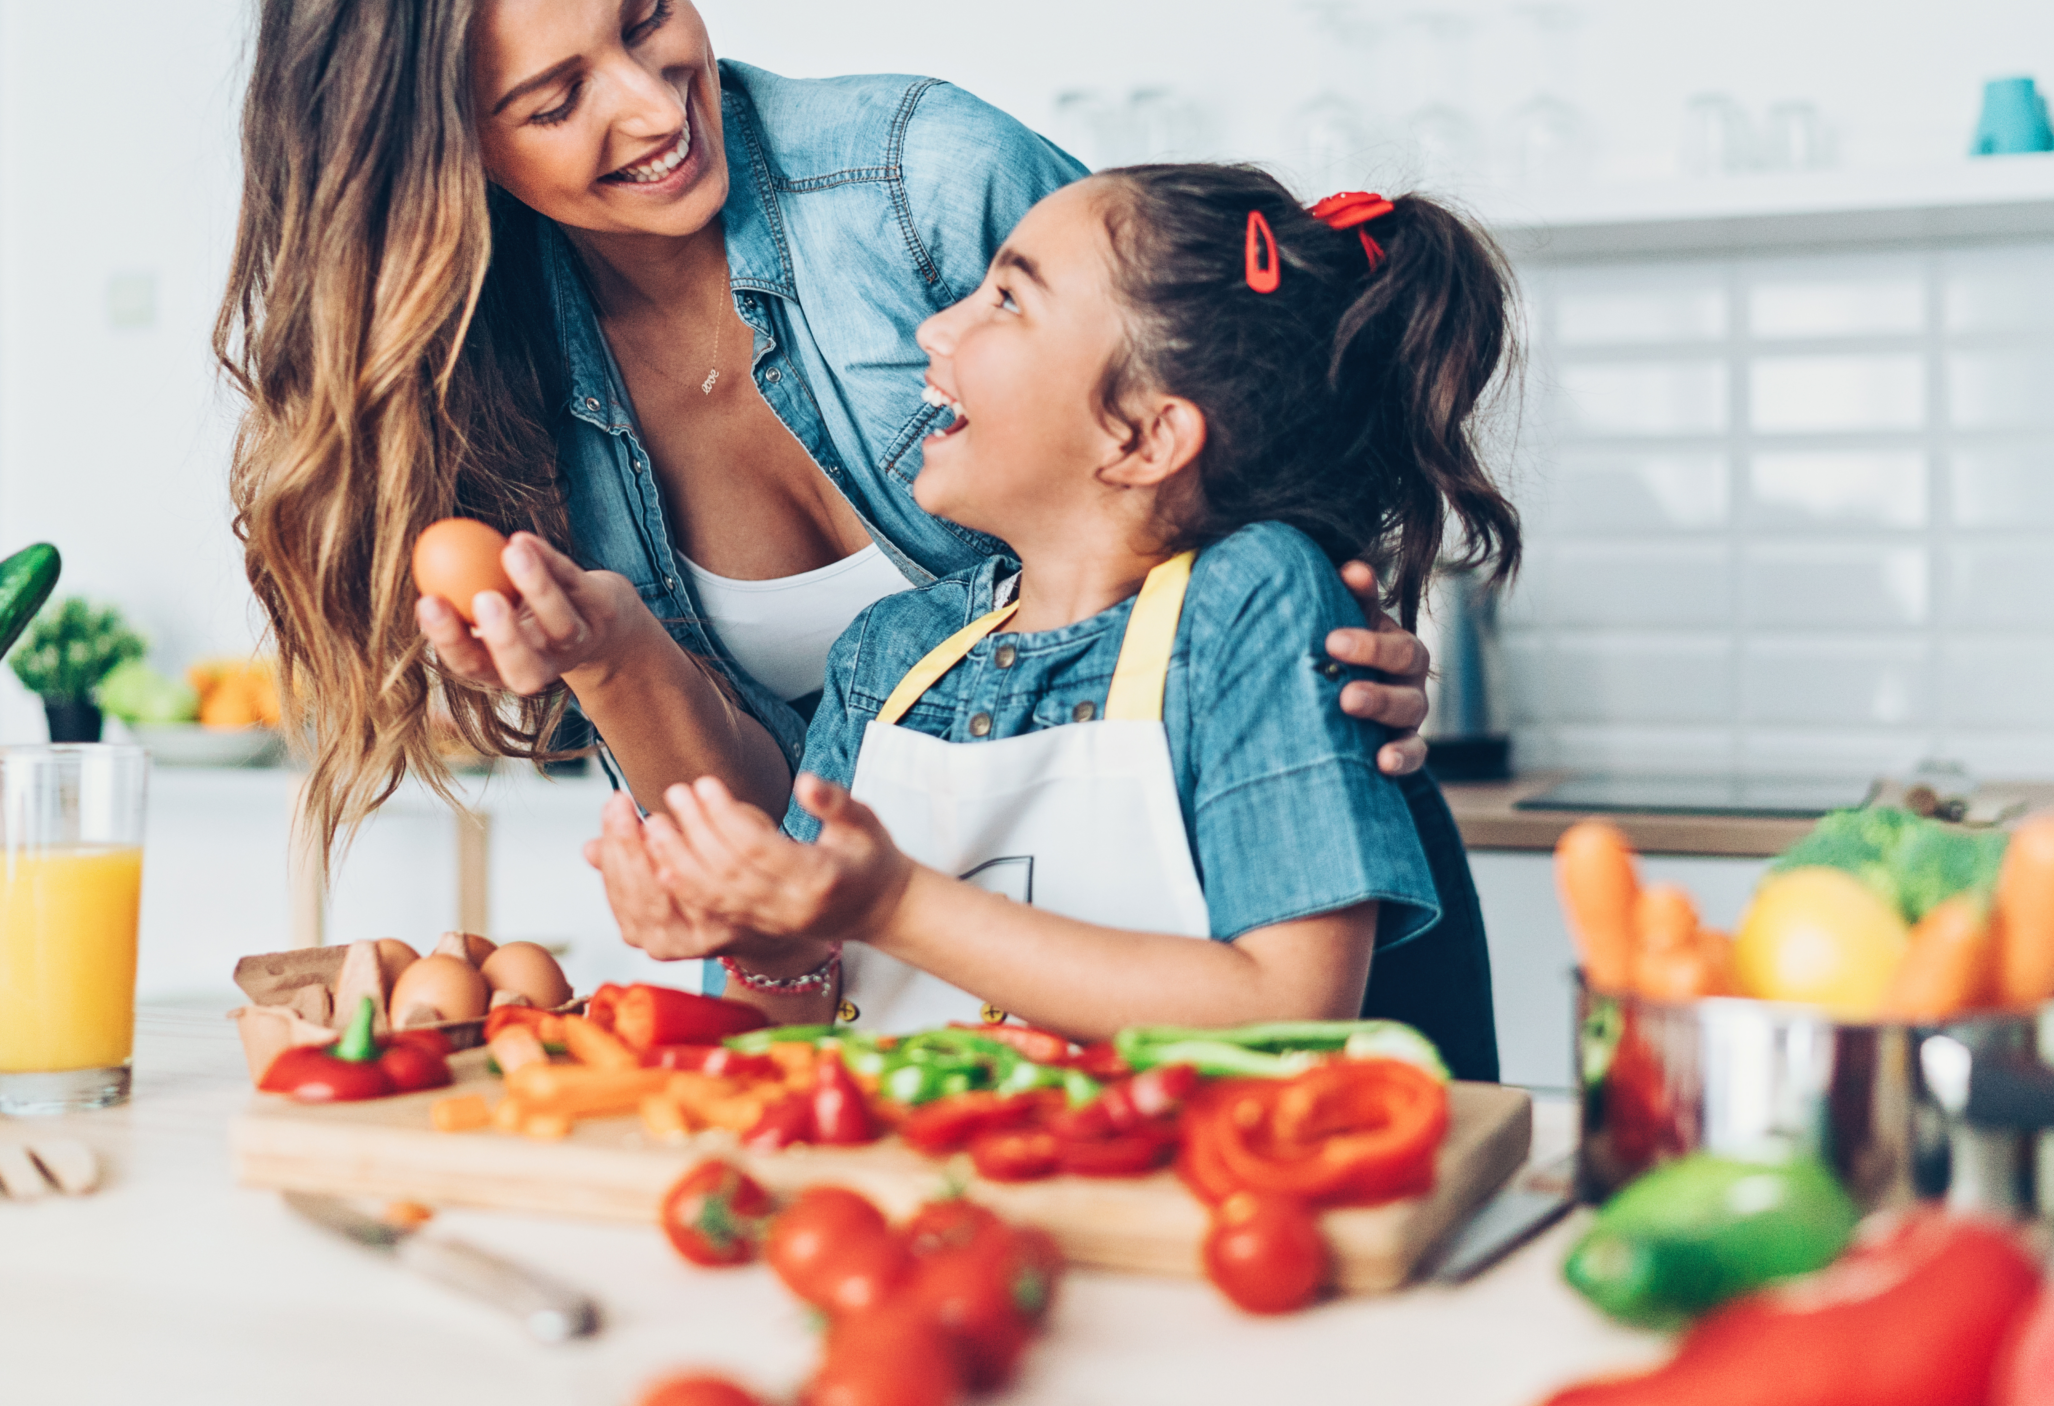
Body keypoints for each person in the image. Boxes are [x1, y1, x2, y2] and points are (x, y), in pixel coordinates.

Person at [216, 0, 1496, 1072]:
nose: (656, 108)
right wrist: (617, 668)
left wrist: (1323, 637)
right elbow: (801, 901)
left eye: (647, 11)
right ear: (442, 153)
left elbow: (1220, 406)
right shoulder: (486, 396)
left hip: (1288, 976)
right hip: (971, 1070)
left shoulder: (923, 181)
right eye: (555, 101)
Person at [594, 167, 1519, 1042]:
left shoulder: (1248, 600)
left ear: (1145, 436)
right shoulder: (890, 655)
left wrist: (895, 903)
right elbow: (794, 1027)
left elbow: (1293, 1002)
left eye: (1008, 299)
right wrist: (764, 942)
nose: (934, 330)